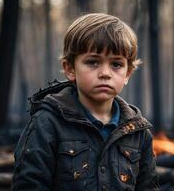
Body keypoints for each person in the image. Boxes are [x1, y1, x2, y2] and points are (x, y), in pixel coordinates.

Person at [11, 13, 159, 191]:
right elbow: (29, 185)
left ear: (127, 74)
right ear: (70, 69)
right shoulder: (47, 123)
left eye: (116, 64)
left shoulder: (138, 132)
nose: (105, 73)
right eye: (93, 62)